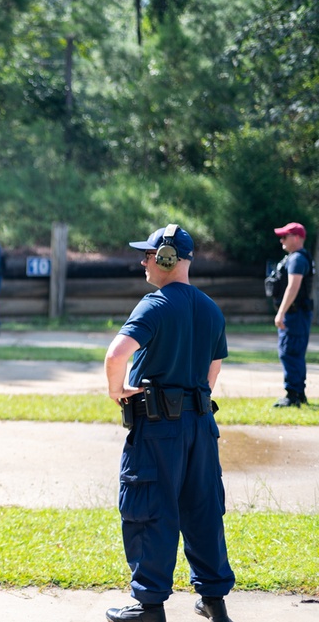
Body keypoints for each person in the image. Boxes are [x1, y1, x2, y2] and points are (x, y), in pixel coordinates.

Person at [103, 225, 235, 622]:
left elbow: (116, 355)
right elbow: (214, 371)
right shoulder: (211, 308)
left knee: (151, 509)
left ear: (166, 258)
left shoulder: (155, 304)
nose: (143, 261)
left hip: (159, 429)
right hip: (200, 427)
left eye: (148, 254)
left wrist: (116, 389)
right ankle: (214, 601)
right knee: (203, 511)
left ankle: (149, 605)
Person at [266, 222, 314, 408]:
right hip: (299, 314)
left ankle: (292, 395)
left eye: (285, 236)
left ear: (296, 237)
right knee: (295, 353)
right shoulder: (301, 258)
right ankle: (298, 393)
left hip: (294, 315)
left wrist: (281, 313)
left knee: (289, 352)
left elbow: (293, 286)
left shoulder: (296, 260)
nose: (281, 240)